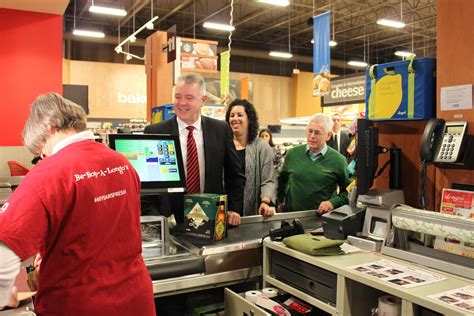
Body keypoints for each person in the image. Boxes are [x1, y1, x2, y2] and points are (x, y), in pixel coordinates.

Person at [0, 93, 155, 314]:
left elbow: (4, 245)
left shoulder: (48, 174)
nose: (43, 155)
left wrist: (4, 292)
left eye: (41, 148)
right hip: (135, 299)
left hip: (79, 304)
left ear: (50, 128)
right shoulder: (121, 163)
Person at [144, 73, 245, 226]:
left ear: (203, 100)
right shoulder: (155, 132)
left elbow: (234, 175)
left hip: (211, 217)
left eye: (189, 98)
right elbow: (146, 184)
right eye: (178, 97)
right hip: (169, 221)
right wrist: (154, 216)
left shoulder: (220, 129)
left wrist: (234, 209)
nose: (182, 103)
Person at [277, 113, 351, 215]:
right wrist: (280, 200)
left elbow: (350, 191)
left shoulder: (339, 160)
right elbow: (281, 181)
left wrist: (332, 203)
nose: (312, 136)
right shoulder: (292, 154)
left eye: (317, 133)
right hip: (291, 218)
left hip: (321, 221)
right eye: (310, 131)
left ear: (328, 135)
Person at [225, 99, 275, 217]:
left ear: (249, 119)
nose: (234, 118)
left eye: (240, 115)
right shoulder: (223, 145)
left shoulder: (261, 147)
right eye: (231, 115)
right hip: (225, 211)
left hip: (251, 211)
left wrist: (265, 202)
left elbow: (268, 179)